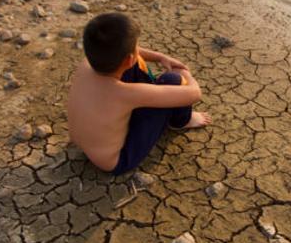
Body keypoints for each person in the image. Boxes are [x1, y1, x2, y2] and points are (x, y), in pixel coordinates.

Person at [67, 13, 211, 175]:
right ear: (129, 59)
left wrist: (160, 57)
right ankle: (182, 121)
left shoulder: (87, 64)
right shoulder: (126, 94)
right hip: (118, 160)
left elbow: (131, 53)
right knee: (172, 79)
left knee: (131, 64)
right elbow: (194, 94)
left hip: (84, 143)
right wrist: (185, 73)